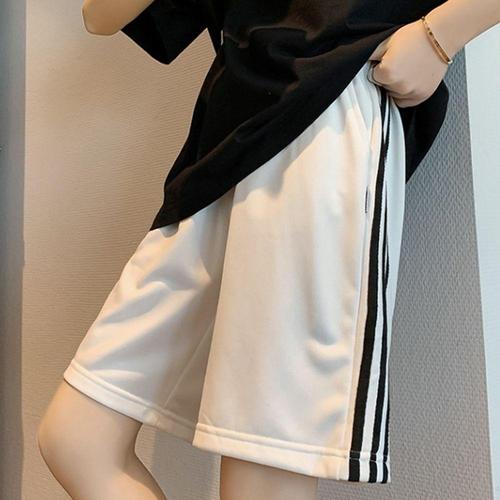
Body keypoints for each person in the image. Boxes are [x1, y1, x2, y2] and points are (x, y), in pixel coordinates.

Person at [37, 0, 499, 499]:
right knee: (78, 439)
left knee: (259, 477)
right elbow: (101, 16)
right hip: (225, 135)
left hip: (327, 111)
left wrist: (440, 35)